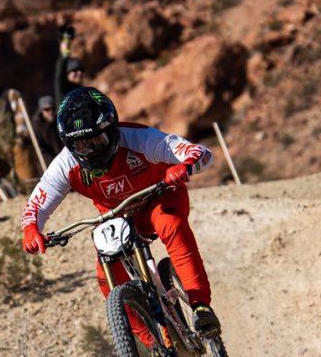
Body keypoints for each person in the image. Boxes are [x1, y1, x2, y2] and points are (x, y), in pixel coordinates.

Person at [21, 87, 221, 338]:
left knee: (171, 225)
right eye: (81, 146)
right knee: (105, 275)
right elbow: (36, 204)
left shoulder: (139, 138)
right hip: (117, 215)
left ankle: (200, 306)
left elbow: (201, 153)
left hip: (159, 197)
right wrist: (31, 229)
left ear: (112, 130)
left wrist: (186, 166)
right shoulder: (65, 164)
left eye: (96, 141)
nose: (91, 151)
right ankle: (151, 346)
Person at [54, 25, 85, 105]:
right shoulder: (62, 88)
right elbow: (60, 68)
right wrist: (66, 41)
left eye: (81, 70)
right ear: (66, 74)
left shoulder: (84, 92)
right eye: (74, 70)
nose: (79, 73)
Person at [31, 95, 63, 164]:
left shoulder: (59, 122)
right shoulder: (36, 126)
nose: (50, 112)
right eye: (47, 109)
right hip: (47, 163)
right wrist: (53, 163)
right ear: (41, 111)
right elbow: (41, 150)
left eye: (53, 108)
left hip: (62, 159)